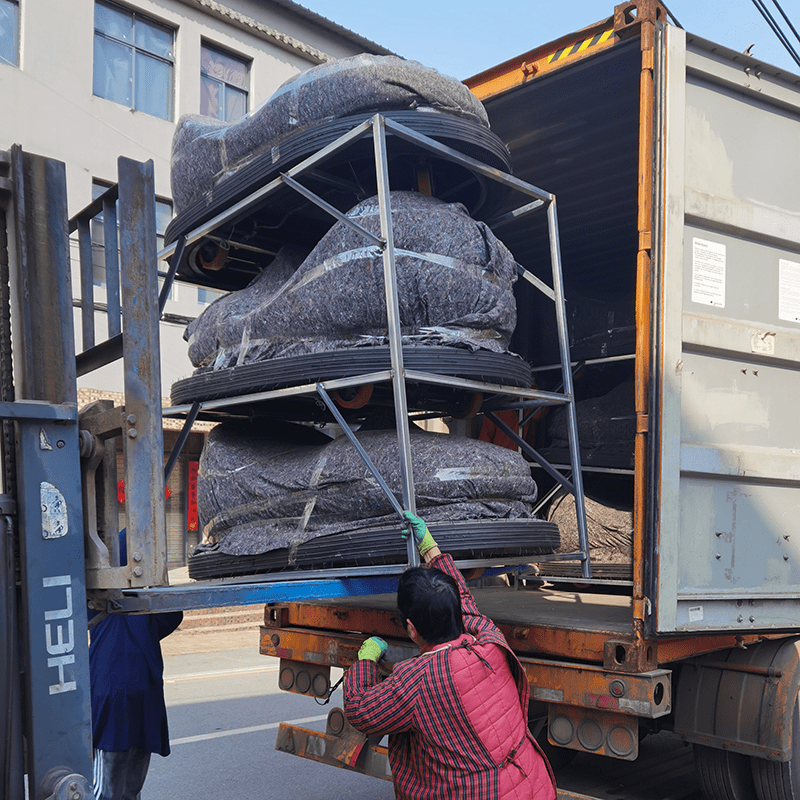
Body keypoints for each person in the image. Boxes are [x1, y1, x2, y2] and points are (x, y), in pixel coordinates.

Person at [344, 511, 557, 800]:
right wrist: (430, 547)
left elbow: (362, 710)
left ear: (411, 628)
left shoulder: (417, 680)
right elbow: (465, 602)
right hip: (531, 786)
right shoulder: (490, 641)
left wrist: (366, 661)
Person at [88, 530, 183, 800]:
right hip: (133, 703)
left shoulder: (110, 605)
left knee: (116, 791)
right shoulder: (119, 604)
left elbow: (173, 614)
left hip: (124, 704)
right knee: (120, 791)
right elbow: (173, 613)